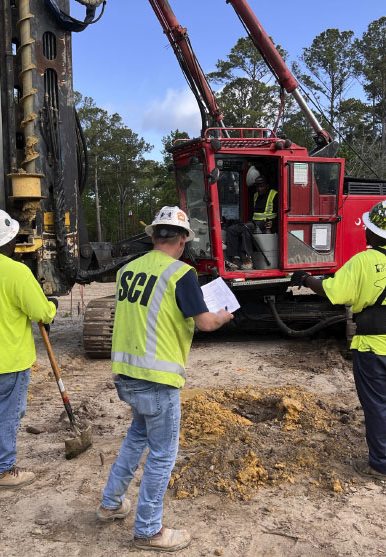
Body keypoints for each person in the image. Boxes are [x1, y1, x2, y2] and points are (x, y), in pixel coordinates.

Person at [97, 206, 233, 552]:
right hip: (158, 379)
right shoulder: (181, 274)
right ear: (183, 240)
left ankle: (111, 502)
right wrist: (222, 316)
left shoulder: (127, 270)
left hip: (127, 374)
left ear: (153, 235)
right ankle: (148, 530)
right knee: (161, 455)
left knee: (136, 438)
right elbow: (203, 323)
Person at [291, 200, 386, 481]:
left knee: (377, 405)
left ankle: (382, 465)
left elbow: (332, 291)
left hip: (371, 346)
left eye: (368, 228)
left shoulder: (362, 261)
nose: (365, 232)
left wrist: (306, 279)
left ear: (376, 233)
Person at [0, 208, 57, 489]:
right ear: (9, 241)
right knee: (7, 413)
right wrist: (51, 306)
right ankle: (1, 470)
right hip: (8, 359)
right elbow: (40, 311)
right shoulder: (17, 272)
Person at [225, 174, 278, 270]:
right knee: (232, 229)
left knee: (247, 228)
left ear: (267, 186)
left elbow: (282, 214)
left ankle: (247, 259)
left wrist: (273, 222)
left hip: (266, 225)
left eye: (261, 186)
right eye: (257, 186)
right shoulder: (255, 195)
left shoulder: (274, 195)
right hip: (254, 223)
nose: (259, 189)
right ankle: (235, 259)